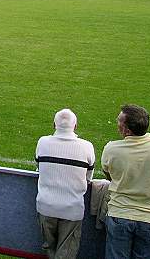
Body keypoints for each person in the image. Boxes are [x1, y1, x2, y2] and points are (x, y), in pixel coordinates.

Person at [101, 104, 150, 259]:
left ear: (127, 130)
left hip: (120, 214)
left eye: (119, 122)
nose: (117, 124)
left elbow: (110, 176)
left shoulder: (111, 149)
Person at [35, 109, 95, 259]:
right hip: (72, 208)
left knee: (50, 248)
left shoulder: (43, 142)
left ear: (54, 124)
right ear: (75, 126)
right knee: (66, 252)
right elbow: (88, 178)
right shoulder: (87, 146)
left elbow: (39, 167)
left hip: (46, 205)